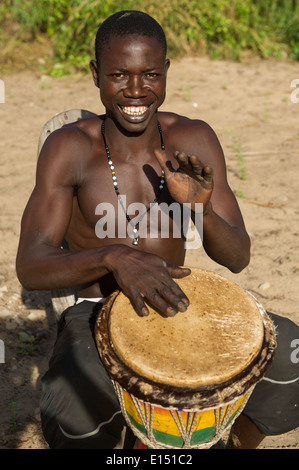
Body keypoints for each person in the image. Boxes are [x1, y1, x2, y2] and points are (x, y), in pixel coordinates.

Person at [16, 10, 298, 449]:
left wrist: (201, 210)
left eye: (149, 74)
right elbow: (31, 264)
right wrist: (113, 256)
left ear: (165, 72)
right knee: (71, 406)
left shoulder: (194, 138)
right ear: (95, 74)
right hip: (96, 313)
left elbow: (238, 258)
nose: (135, 91)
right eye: (118, 75)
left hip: (178, 303)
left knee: (291, 357)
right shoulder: (69, 147)